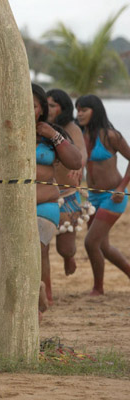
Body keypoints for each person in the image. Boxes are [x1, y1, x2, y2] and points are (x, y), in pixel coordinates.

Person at [0, 84, 81, 307]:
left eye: (31, 106)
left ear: (40, 109)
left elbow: (75, 161)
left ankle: (33, 307)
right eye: (20, 105)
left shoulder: (51, 133)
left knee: (29, 258)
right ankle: (2, 313)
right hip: (3, 206)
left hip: (42, 205)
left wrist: (53, 135)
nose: (25, 111)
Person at [76, 94, 130, 295]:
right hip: (93, 197)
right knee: (104, 247)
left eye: (84, 110)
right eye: (78, 110)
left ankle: (98, 288)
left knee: (91, 242)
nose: (79, 114)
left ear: (95, 111)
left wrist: (121, 187)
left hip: (113, 196)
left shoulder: (111, 136)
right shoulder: (80, 135)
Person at [45, 89, 87, 278]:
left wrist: (79, 166)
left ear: (63, 108)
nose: (49, 108)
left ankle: (68, 257)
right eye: (47, 105)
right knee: (41, 247)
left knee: (66, 248)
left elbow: (82, 151)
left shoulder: (72, 127)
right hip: (43, 193)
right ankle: (48, 292)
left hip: (67, 194)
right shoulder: (41, 127)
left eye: (53, 105)